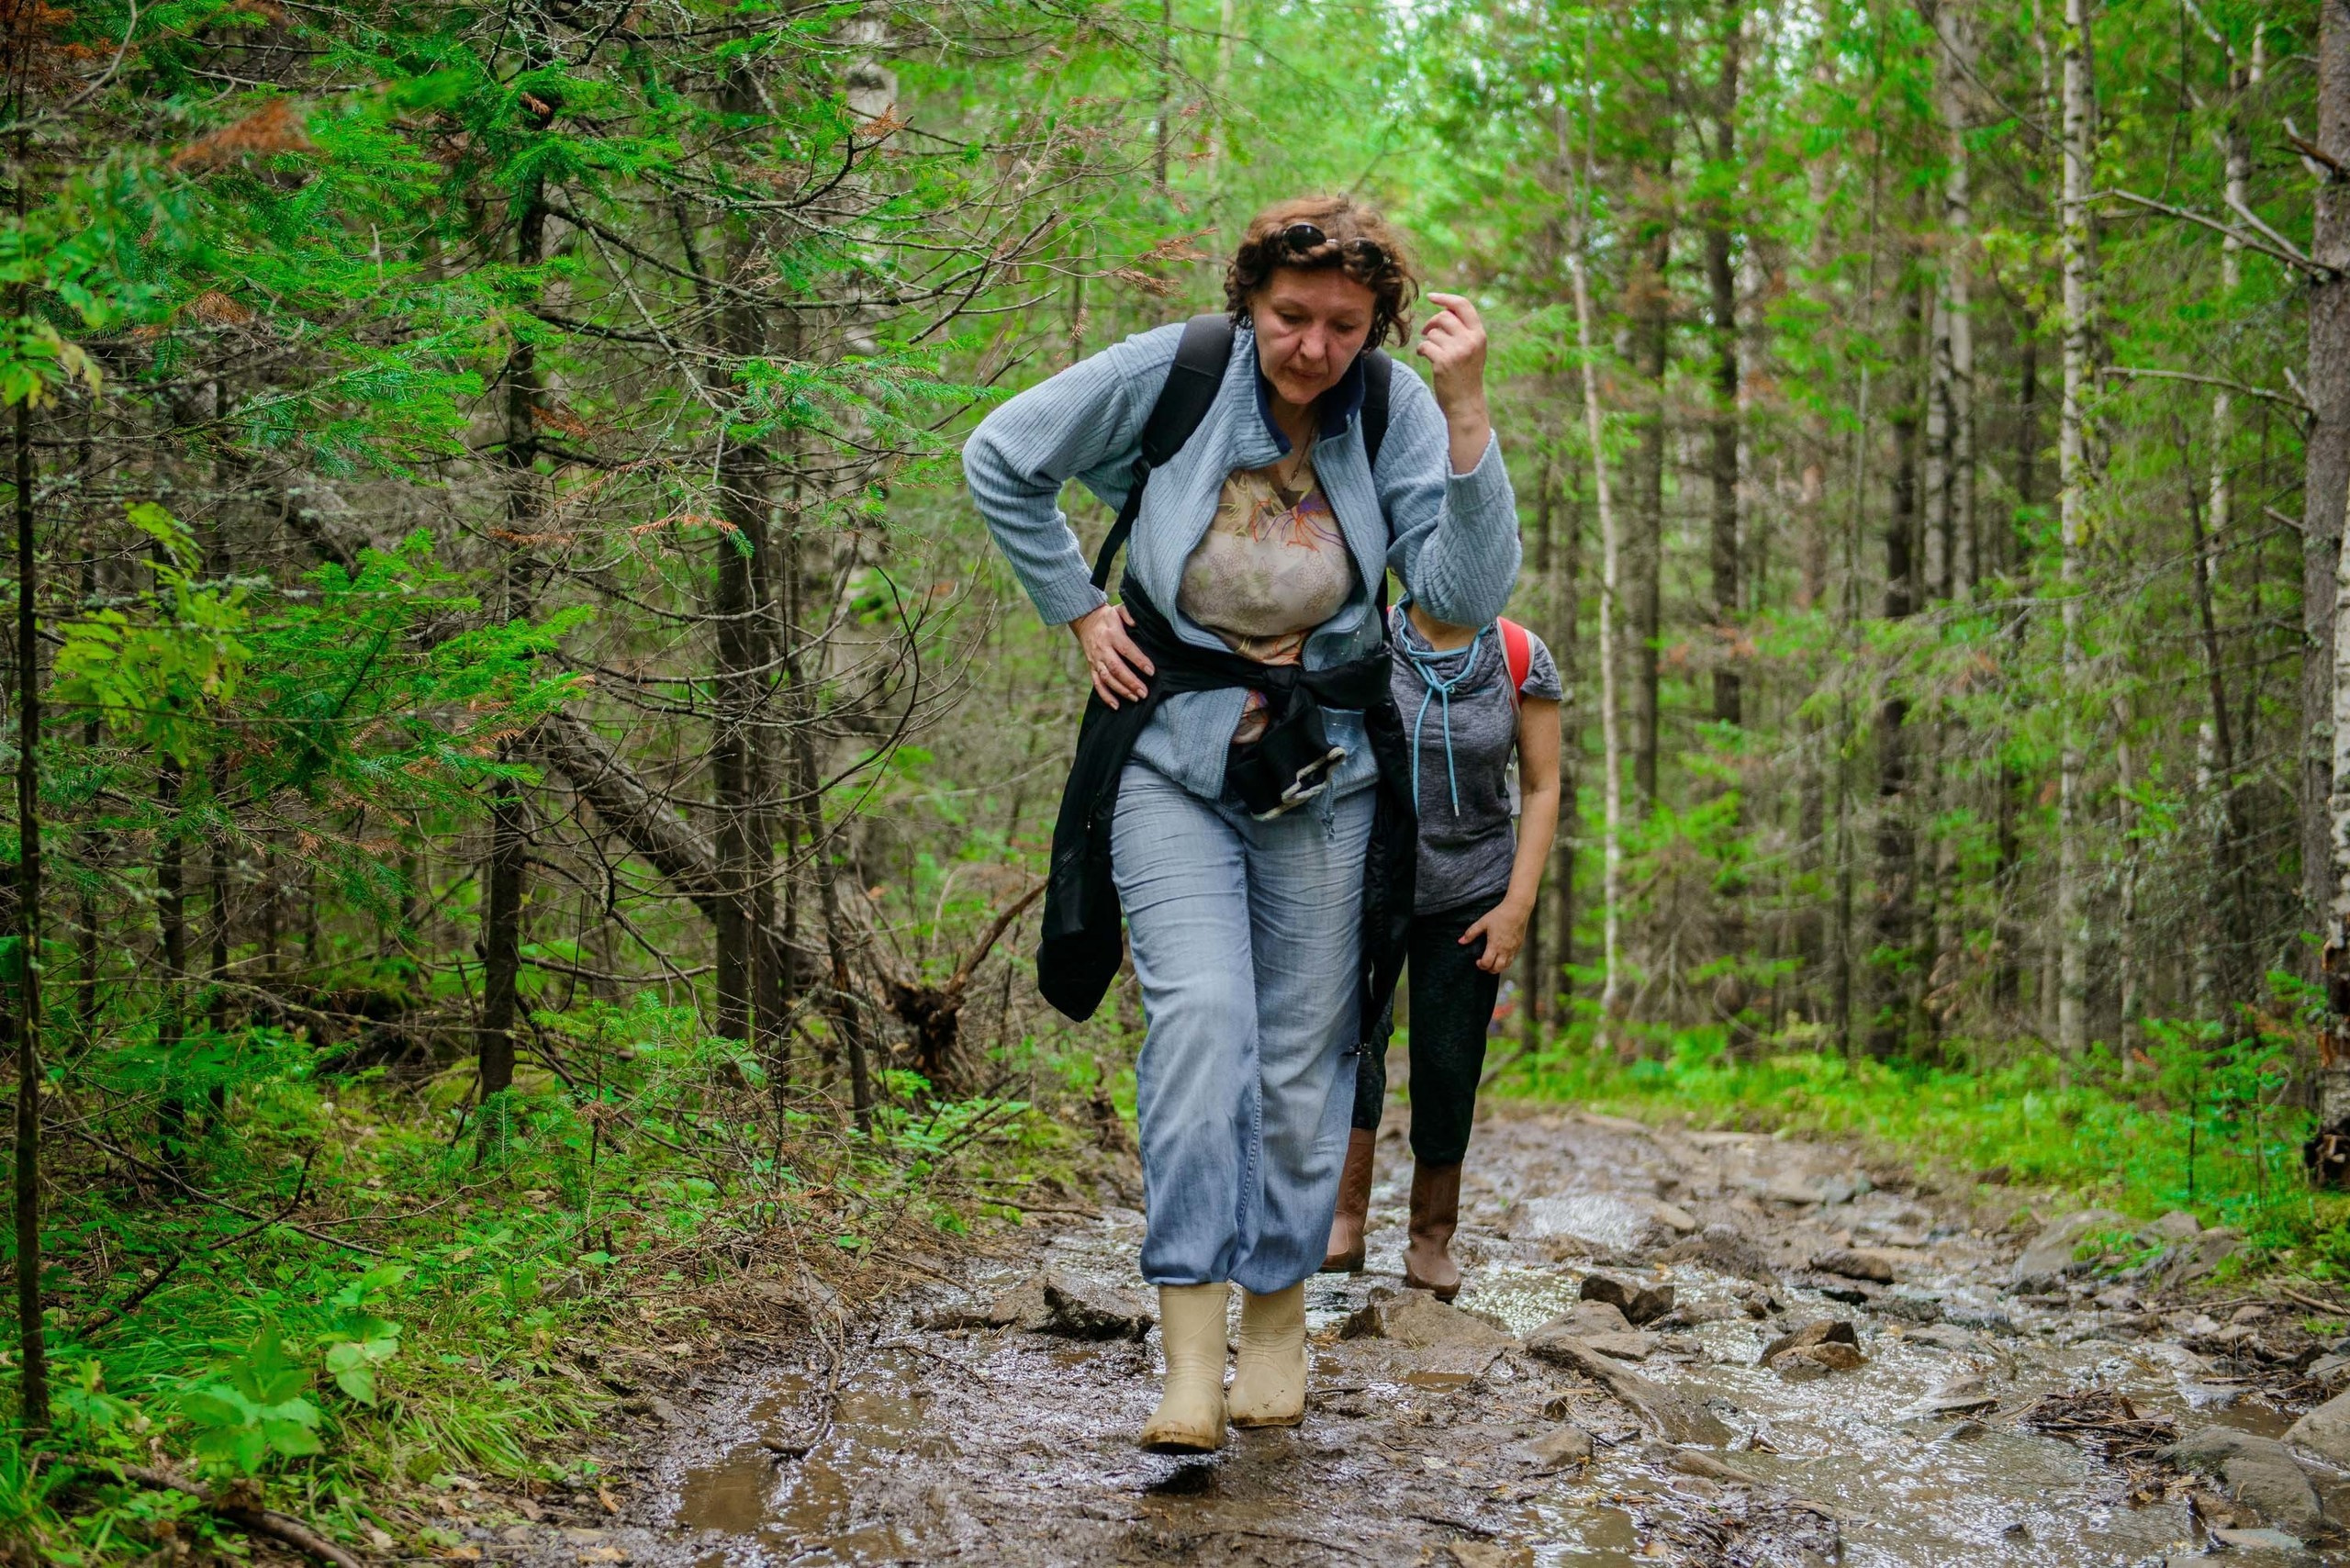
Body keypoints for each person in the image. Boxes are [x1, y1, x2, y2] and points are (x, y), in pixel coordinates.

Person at [963, 195, 1519, 1451]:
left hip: (1325, 772)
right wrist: (1078, 607)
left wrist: (1470, 406)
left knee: (1300, 1056)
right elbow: (1003, 454)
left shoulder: (1396, 410)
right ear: (1247, 303)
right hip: (1168, 752)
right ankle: (1187, 1360)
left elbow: (1461, 597)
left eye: (1343, 324)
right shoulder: (1178, 371)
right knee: (1203, 1022)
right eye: (1289, 317)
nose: (1313, 346)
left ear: (1377, 324)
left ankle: (1277, 1326)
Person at [1321, 599, 1562, 1299]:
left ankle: (1431, 1240)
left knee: (1449, 1059)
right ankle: (1343, 1219)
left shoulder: (1519, 656)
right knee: (1355, 1040)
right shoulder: (1364, 636)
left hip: (1474, 892)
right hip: (1367, 879)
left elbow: (1543, 787)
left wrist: (1515, 907)